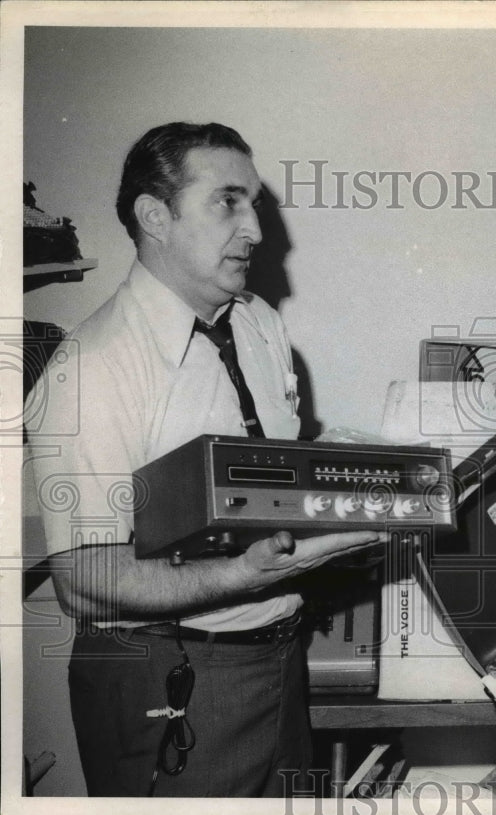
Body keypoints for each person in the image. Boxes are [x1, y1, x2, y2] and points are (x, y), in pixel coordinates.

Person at [25, 122, 386, 797]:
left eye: (254, 203)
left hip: (280, 656)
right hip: (171, 669)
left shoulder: (258, 326)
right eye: (228, 201)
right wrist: (247, 573)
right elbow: (85, 579)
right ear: (154, 216)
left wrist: (341, 476)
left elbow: (257, 488)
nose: (254, 228)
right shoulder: (90, 369)